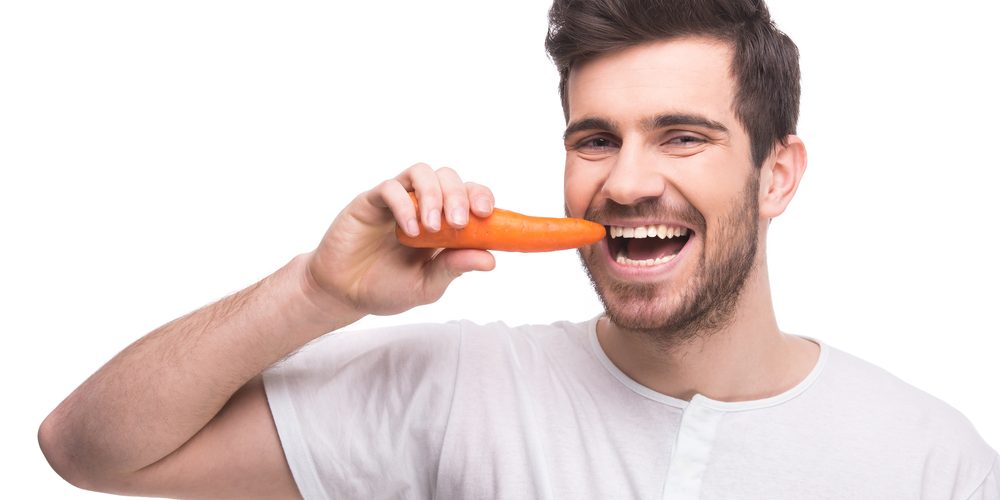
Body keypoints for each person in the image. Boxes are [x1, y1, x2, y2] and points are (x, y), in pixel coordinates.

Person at [38, 0, 998, 498]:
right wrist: (317, 291)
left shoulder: (929, 461)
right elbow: (88, 450)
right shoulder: (460, 389)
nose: (625, 183)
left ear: (778, 175)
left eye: (682, 135)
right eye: (595, 139)